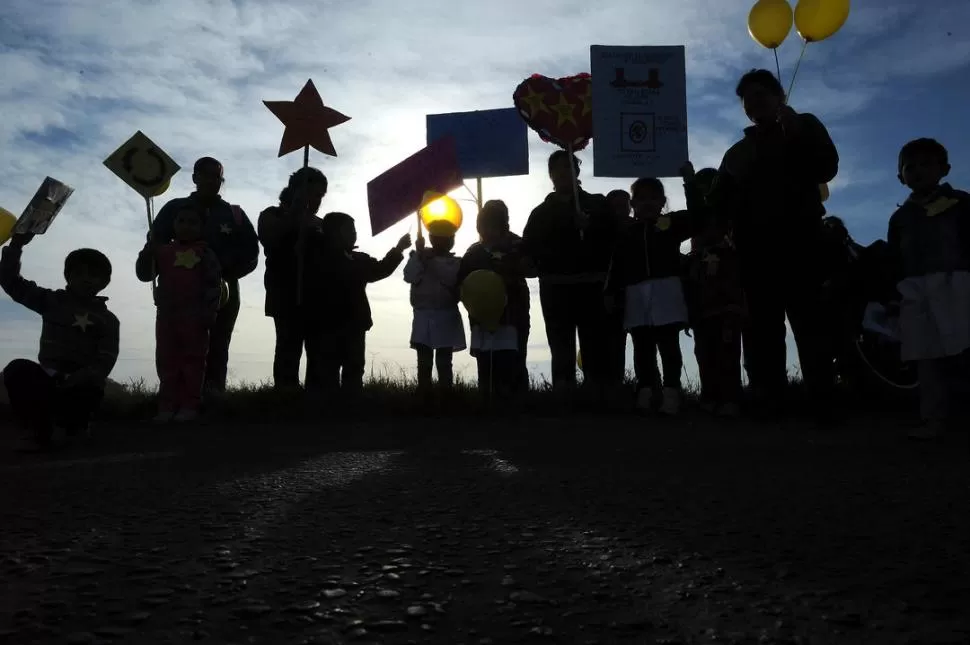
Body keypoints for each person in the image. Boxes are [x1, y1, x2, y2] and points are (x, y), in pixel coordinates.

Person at [709, 69, 839, 418]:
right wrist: (719, 232)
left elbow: (827, 167)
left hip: (803, 248)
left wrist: (796, 130)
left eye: (761, 94)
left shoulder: (805, 125)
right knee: (762, 334)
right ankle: (771, 404)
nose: (754, 102)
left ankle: (823, 403)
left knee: (810, 328)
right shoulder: (737, 152)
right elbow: (718, 203)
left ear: (779, 95)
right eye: (747, 99)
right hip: (755, 254)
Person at [1, 233, 119, 449]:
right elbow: (10, 282)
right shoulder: (51, 301)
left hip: (81, 384)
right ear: (67, 276)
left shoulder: (108, 320)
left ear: (105, 282)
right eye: (79, 273)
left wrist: (80, 377)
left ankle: (75, 428)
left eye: (94, 275)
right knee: (17, 369)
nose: (86, 279)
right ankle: (38, 431)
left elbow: (105, 361)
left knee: (88, 392)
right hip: (47, 380)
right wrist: (16, 245)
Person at [151, 157, 259, 393]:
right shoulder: (174, 208)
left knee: (218, 345)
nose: (212, 181)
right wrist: (150, 266)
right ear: (195, 178)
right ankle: (172, 398)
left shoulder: (234, 214)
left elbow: (252, 252)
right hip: (177, 291)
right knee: (173, 346)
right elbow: (155, 246)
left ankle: (212, 398)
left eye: (217, 177)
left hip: (223, 292)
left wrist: (224, 271)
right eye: (206, 175)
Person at [887, 138, 970, 440]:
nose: (918, 171)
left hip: (957, 285)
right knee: (927, 356)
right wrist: (896, 294)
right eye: (910, 167)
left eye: (926, 164)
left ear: (944, 169)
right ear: (900, 177)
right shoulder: (899, 219)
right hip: (915, 291)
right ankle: (934, 418)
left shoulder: (962, 204)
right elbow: (895, 260)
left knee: (962, 351)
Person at [522, 151, 618, 393]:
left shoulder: (597, 204)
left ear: (577, 171)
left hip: (591, 286)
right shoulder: (540, 213)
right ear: (551, 175)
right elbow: (530, 247)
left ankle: (596, 394)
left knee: (593, 343)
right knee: (560, 345)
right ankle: (563, 395)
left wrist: (591, 226)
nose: (563, 173)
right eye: (557, 169)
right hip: (555, 287)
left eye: (568, 167)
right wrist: (567, 227)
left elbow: (612, 240)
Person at [605, 178, 692, 415]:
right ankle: (645, 391)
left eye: (653, 198)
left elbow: (698, 214)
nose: (647, 204)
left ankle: (671, 392)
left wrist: (689, 182)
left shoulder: (671, 224)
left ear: (662, 201)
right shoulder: (627, 233)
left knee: (669, 345)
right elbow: (617, 264)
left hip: (667, 293)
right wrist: (610, 291)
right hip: (636, 296)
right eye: (641, 199)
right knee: (642, 347)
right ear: (633, 203)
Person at [136, 207, 222, 422]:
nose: (186, 226)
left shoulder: (205, 253)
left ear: (202, 228)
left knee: (193, 361)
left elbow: (214, 285)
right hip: (166, 316)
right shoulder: (163, 251)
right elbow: (143, 273)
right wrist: (148, 249)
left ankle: (189, 405)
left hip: (195, 316)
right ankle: (166, 405)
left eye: (192, 222)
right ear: (173, 225)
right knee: (166, 360)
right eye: (181, 220)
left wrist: (209, 312)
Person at [314, 212, 410, 399]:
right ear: (334, 233)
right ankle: (328, 412)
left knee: (354, 368)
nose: (354, 234)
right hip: (328, 325)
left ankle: (351, 408)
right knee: (328, 371)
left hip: (355, 324)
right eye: (349, 229)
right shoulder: (321, 258)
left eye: (354, 229)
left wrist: (399, 249)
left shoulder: (358, 259)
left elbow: (381, 269)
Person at [681, 164, 745, 418]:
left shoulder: (728, 216)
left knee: (728, 350)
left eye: (710, 186)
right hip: (702, 304)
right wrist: (688, 180)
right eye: (701, 187)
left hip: (727, 301)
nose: (706, 192)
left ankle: (730, 397)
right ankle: (709, 395)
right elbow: (696, 209)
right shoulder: (697, 231)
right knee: (704, 350)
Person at [257, 167, 329, 391]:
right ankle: (285, 398)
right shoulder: (272, 215)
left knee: (318, 351)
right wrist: (295, 218)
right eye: (311, 193)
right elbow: (270, 239)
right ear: (295, 191)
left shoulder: (321, 224)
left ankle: (315, 402)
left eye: (320, 195)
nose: (315, 200)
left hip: (316, 296)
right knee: (288, 347)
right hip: (285, 293)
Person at [459, 201, 535, 399]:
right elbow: (462, 284)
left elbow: (532, 269)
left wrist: (510, 267)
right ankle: (487, 402)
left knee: (514, 362)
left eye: (493, 225)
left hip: (512, 317)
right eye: (483, 226)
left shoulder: (517, 246)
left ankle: (517, 404)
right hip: (481, 320)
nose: (487, 231)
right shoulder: (472, 252)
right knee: (485, 364)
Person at [402, 225, 466, 393]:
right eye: (437, 238)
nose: (442, 242)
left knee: (444, 362)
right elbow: (408, 276)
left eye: (446, 238)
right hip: (423, 315)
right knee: (424, 361)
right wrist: (418, 256)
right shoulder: (419, 257)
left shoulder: (456, 262)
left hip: (447, 315)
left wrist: (428, 260)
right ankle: (424, 397)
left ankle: (446, 397)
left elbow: (450, 279)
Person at [605, 189, 633, 384]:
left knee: (644, 344)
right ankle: (612, 386)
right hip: (610, 295)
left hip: (637, 292)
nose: (620, 210)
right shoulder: (600, 231)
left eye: (624, 205)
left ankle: (648, 387)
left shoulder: (638, 228)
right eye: (615, 206)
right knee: (611, 344)